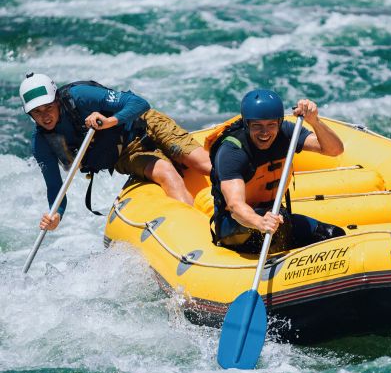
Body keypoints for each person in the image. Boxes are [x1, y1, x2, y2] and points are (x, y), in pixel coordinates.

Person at [19, 72, 212, 231]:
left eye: (48, 108)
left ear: (58, 101)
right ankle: (197, 232)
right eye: (37, 112)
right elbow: (55, 188)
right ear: (30, 114)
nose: (45, 117)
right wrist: (56, 215)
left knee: (203, 165)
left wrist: (108, 121)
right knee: (167, 173)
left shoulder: (81, 96)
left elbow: (140, 103)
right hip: (126, 154)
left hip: (147, 123)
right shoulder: (42, 144)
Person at [207, 89, 346, 253]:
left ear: (279, 123)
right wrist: (259, 222)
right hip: (236, 225)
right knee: (279, 228)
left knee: (334, 235)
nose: (265, 133)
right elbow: (235, 206)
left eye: (271, 125)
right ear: (247, 124)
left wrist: (314, 121)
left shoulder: (286, 132)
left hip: (277, 218)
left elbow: (334, 150)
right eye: (257, 126)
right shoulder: (233, 152)